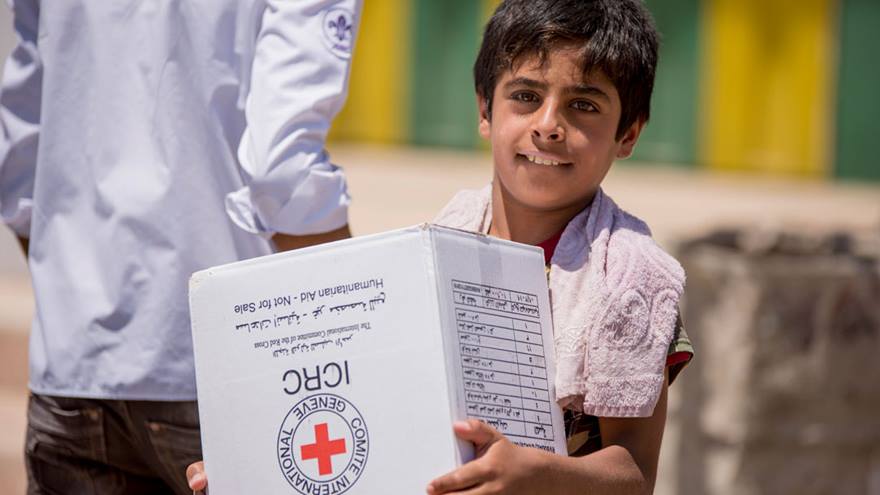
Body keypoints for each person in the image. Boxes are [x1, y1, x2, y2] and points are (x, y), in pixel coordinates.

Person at [186, 0, 693, 493]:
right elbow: (371, 409)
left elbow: (635, 475)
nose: (547, 125)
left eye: (583, 105)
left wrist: (537, 475)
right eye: (525, 96)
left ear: (628, 133)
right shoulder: (432, 248)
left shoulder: (628, 280)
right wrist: (252, 464)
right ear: (484, 110)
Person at [0, 1, 362, 493]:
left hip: (73, 362)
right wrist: (357, 334)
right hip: (225, 363)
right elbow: (283, 170)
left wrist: (71, 295)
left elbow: (20, 151)